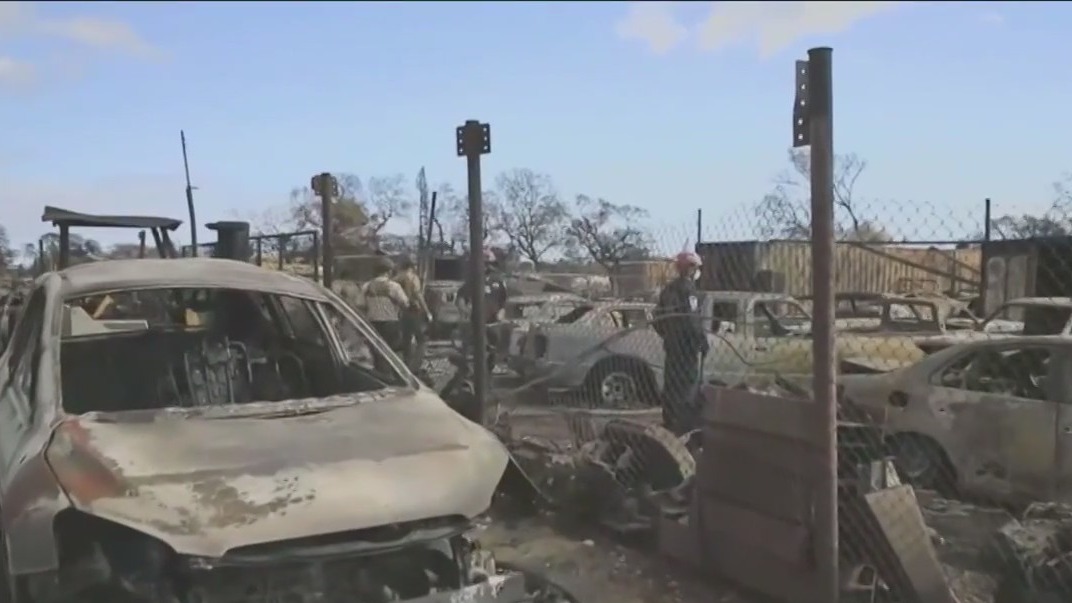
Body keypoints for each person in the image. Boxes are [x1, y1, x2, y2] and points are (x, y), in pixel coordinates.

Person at [652, 251, 708, 434]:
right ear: (690, 268)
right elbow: (692, 318)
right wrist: (701, 340)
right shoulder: (688, 290)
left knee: (672, 383)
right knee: (687, 385)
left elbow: (657, 317)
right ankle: (683, 425)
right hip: (687, 346)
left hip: (672, 345)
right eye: (696, 267)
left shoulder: (668, 290)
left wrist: (668, 334)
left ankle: (669, 419)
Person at [456, 248, 509, 374]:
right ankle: (473, 370)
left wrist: (502, 312)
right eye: (484, 264)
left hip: (494, 321)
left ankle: (491, 367)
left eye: (490, 264)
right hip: (477, 321)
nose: (487, 267)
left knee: (495, 344)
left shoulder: (499, 281)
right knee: (480, 347)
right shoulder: (473, 281)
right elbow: (460, 299)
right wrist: (466, 311)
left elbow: (503, 301)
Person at [358, 256, 409, 370]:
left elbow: (360, 304)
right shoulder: (394, 286)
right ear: (389, 271)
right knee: (390, 353)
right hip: (391, 323)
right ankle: (388, 374)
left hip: (372, 324)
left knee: (376, 352)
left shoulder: (367, 286)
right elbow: (405, 303)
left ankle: (379, 372)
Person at [393, 255, 433, 372]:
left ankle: (406, 365)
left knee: (406, 339)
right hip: (414, 309)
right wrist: (427, 312)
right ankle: (415, 366)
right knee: (422, 340)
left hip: (402, 311)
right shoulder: (413, 277)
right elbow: (418, 295)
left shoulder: (396, 278)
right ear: (411, 266)